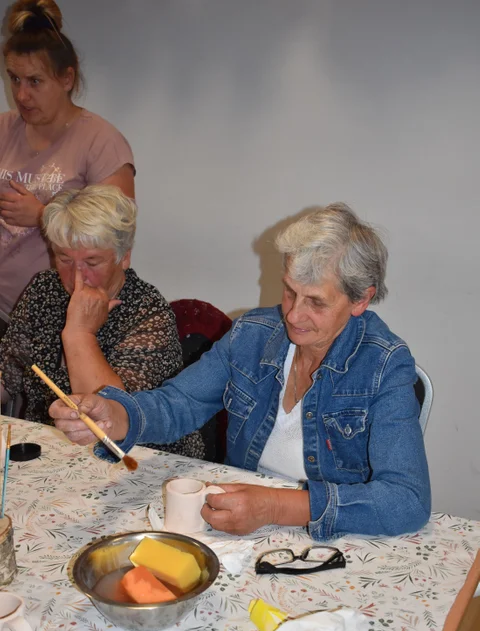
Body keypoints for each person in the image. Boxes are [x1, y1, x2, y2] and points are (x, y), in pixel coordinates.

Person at [50, 203, 431, 540]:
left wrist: (277, 507)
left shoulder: (384, 363)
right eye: (289, 292)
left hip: (330, 538)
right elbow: (179, 404)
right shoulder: (252, 334)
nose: (294, 316)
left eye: (316, 302)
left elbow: (406, 500)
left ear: (360, 298)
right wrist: (116, 415)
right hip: (239, 525)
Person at [0, 184, 203, 460]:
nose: (76, 277)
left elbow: (107, 420)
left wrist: (79, 332)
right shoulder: (43, 291)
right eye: (64, 259)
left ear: (124, 257)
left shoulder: (149, 313)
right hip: (54, 454)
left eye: (92, 262)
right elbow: (7, 374)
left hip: (137, 462)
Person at [0, 0, 135, 320]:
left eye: (34, 81)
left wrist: (44, 216)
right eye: (14, 79)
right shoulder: (3, 128)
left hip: (61, 314)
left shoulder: (102, 143)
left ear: (66, 79)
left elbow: (114, 238)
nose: (21, 95)